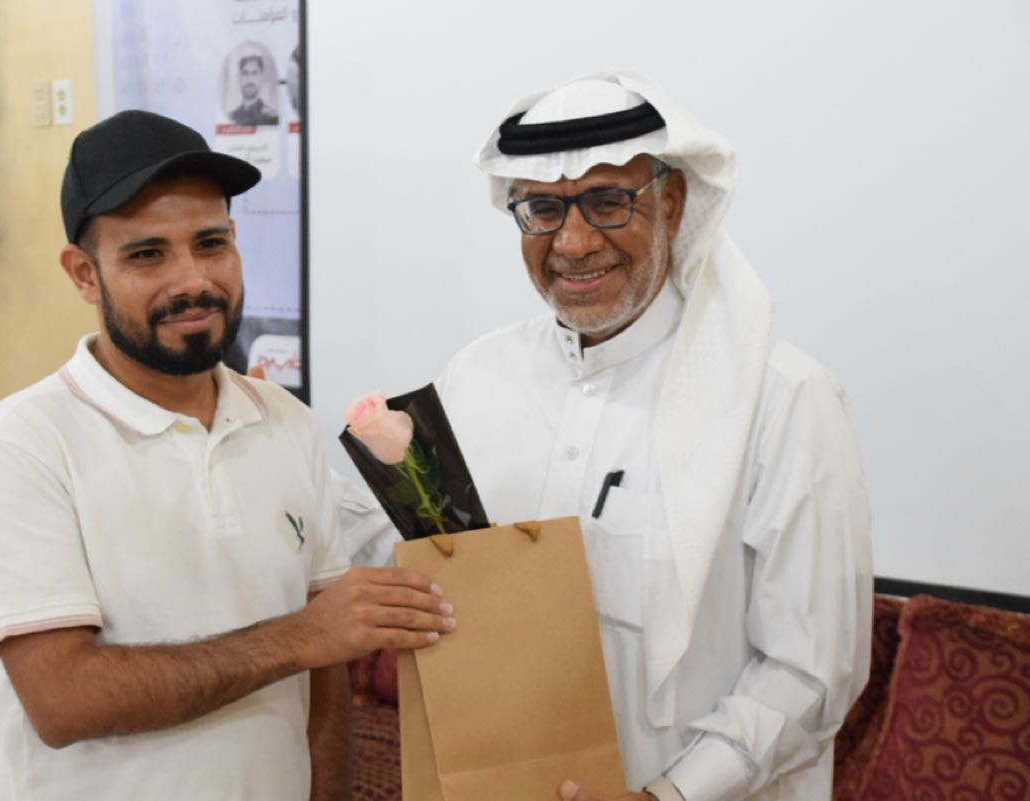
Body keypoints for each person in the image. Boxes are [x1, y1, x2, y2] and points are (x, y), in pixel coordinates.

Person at [346, 72, 872, 801]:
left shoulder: (783, 399)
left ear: (672, 202)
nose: (573, 241)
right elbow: (413, 563)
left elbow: (812, 671)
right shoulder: (477, 376)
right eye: (543, 208)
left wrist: (667, 796)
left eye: (607, 202)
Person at [0, 109, 454, 801]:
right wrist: (300, 637)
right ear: (84, 274)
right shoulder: (24, 443)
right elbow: (63, 700)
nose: (192, 280)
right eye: (147, 254)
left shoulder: (285, 423)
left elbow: (325, 676)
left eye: (210, 243)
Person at [229, 53, 280, 126]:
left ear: (261, 77)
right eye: (245, 73)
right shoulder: (231, 117)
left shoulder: (272, 118)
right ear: (239, 78)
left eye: (254, 73)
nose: (250, 79)